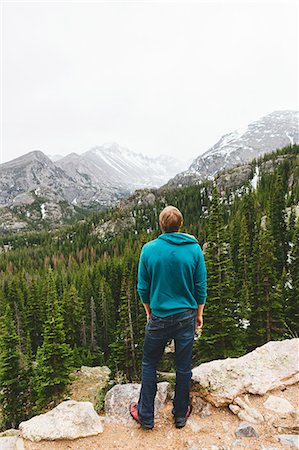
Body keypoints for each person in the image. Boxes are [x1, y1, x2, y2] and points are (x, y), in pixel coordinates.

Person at [129, 205, 207, 429]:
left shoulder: (149, 249)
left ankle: (146, 414)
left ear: (161, 225)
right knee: (183, 367)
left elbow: (143, 288)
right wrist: (199, 315)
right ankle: (180, 414)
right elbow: (200, 286)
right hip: (186, 316)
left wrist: (148, 311)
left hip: (159, 317)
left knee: (149, 363)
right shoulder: (193, 249)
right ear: (180, 225)